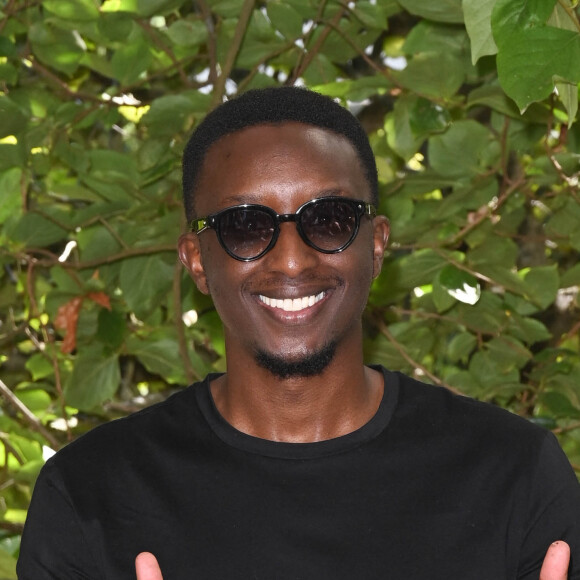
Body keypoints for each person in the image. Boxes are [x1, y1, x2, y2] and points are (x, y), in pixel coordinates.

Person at [17, 87, 580, 579]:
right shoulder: (91, 494)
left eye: (329, 219)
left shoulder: (515, 475)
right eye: (245, 226)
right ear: (195, 261)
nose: (291, 260)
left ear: (377, 244)